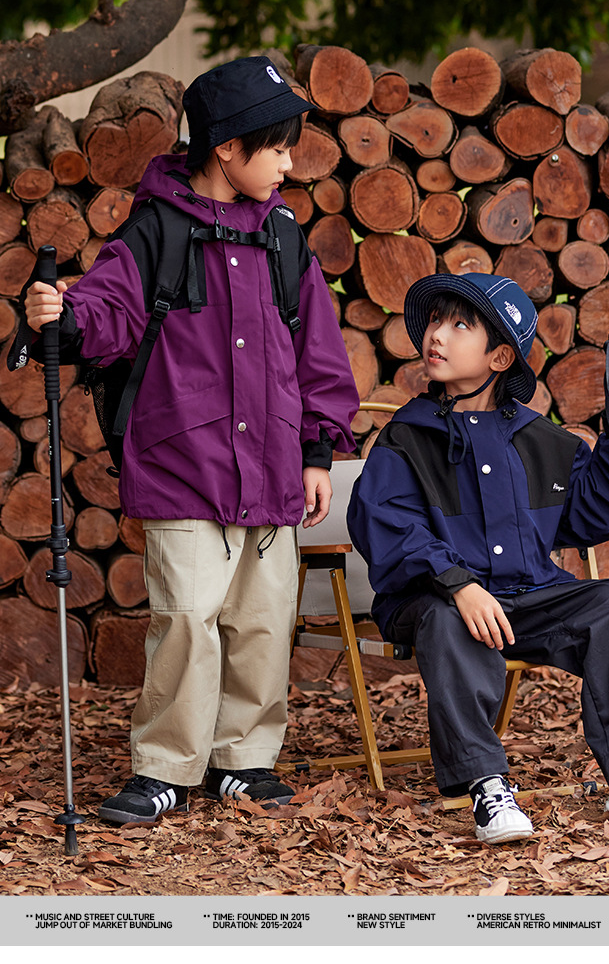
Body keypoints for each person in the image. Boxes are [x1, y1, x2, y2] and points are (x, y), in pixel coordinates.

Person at [19, 56, 359, 825]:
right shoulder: (156, 230)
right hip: (184, 464)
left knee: (262, 622)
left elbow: (319, 353)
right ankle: (166, 765)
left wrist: (315, 452)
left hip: (272, 467)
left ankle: (245, 758)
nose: (288, 163)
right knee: (185, 618)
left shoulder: (283, 237)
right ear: (226, 148)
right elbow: (108, 308)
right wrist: (64, 318)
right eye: (277, 148)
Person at [346, 272, 609, 844]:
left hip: (529, 598)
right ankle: (486, 783)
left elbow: (595, 512)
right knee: (449, 618)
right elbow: (386, 524)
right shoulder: (405, 439)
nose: (436, 335)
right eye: (436, 321)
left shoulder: (538, 438)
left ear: (499, 358)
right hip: (436, 599)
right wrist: (458, 582)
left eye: (459, 325)